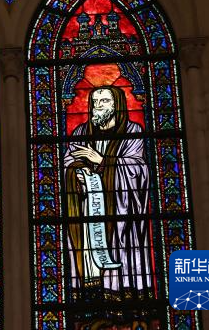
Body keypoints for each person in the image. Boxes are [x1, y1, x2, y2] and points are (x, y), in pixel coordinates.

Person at [63, 86, 153, 304]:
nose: (98, 106)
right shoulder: (81, 133)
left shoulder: (132, 132)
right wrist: (77, 173)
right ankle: (90, 303)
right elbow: (68, 162)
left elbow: (138, 168)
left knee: (120, 250)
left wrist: (102, 161)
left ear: (117, 105)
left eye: (104, 101)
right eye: (95, 102)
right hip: (88, 210)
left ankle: (126, 300)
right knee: (88, 254)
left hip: (120, 209)